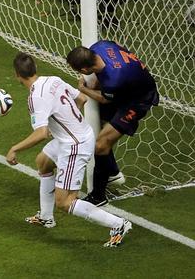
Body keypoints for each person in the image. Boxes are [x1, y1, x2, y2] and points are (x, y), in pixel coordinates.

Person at [6, 53, 132, 247]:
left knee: (65, 201)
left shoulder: (35, 98)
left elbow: (41, 133)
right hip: (77, 135)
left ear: (17, 75)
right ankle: (46, 217)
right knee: (43, 161)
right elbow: (81, 98)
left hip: (74, 145)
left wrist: (14, 149)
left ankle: (118, 225)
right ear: (36, 67)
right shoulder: (53, 80)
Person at [66, 41, 159, 206]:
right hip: (126, 86)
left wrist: (83, 88)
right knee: (97, 127)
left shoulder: (114, 80)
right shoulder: (100, 46)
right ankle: (113, 173)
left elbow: (104, 98)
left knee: (101, 145)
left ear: (84, 70)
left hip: (137, 100)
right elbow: (117, 49)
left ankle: (98, 196)